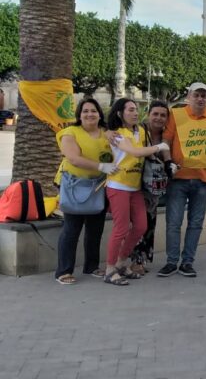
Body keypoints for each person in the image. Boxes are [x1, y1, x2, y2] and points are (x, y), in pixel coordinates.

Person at [158, 82, 206, 278]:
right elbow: (166, 141)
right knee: (173, 222)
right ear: (188, 97)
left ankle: (187, 262)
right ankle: (172, 262)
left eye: (203, 96)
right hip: (178, 178)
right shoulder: (176, 115)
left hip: (202, 179)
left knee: (196, 223)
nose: (200, 98)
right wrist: (167, 161)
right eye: (196, 95)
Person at [103, 98, 170, 285]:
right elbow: (134, 152)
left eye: (136, 109)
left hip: (135, 187)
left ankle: (121, 262)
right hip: (118, 186)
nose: (135, 113)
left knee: (141, 226)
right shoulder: (117, 134)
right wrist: (160, 147)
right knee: (121, 228)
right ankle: (110, 269)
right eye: (131, 110)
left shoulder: (140, 130)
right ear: (120, 113)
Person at [54, 98, 115, 285]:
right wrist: (101, 166)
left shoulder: (107, 133)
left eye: (94, 110)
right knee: (71, 229)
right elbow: (73, 158)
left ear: (100, 114)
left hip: (98, 186)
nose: (90, 114)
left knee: (95, 229)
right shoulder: (70, 133)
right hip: (74, 186)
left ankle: (91, 266)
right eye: (85, 111)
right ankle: (63, 271)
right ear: (79, 115)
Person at [129, 100, 170, 275]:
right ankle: (133, 260)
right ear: (148, 114)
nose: (159, 118)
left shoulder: (167, 136)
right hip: (135, 185)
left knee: (149, 224)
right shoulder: (137, 132)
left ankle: (142, 259)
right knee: (138, 223)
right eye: (155, 114)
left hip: (154, 189)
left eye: (163, 115)